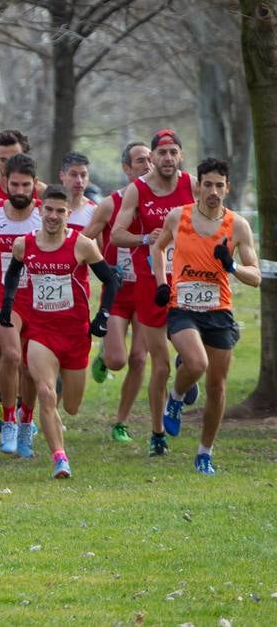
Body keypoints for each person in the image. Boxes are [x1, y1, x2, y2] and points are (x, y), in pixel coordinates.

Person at [0, 186, 119, 477]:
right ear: (41, 211)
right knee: (45, 393)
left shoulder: (82, 245)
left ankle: (61, 382)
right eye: (49, 210)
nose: (53, 216)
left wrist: (103, 316)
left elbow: (112, 281)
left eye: (60, 211)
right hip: (41, 332)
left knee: (73, 406)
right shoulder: (23, 245)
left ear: (68, 214)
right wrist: (7, 304)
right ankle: (60, 458)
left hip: (75, 334)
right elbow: (13, 273)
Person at [153, 159, 260, 475]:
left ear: (227, 187)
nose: (213, 191)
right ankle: (176, 396)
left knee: (217, 387)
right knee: (197, 364)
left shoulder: (237, 225)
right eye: (207, 184)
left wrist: (232, 266)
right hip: (183, 308)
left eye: (219, 185)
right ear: (198, 185)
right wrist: (162, 283)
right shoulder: (178, 217)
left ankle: (204, 453)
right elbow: (158, 249)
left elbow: (256, 277)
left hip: (219, 312)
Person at [109, 128, 195, 457]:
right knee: (159, 365)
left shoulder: (192, 185)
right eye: (162, 153)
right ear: (153, 158)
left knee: (195, 359)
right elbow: (117, 234)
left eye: (173, 152)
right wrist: (147, 239)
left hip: (189, 281)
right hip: (151, 284)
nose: (168, 158)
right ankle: (158, 432)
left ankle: (178, 394)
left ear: (180, 156)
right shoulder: (138, 190)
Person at [82, 141, 152, 442]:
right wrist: (99, 263)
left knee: (139, 359)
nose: (147, 165)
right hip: (119, 291)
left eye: (150, 158)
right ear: (126, 168)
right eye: (139, 160)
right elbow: (84, 240)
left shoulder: (161, 203)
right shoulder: (111, 204)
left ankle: (120, 422)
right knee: (117, 361)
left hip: (147, 290)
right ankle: (104, 354)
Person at [0, 153, 41, 455]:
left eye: (25, 185)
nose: (19, 190)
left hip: (38, 298)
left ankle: (27, 422)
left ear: (34, 186)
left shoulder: (46, 216)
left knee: (30, 368)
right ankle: (9, 420)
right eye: (14, 184)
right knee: (12, 355)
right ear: (5, 183)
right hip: (3, 297)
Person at [59, 152, 97, 228]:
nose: (79, 180)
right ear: (62, 175)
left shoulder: (95, 212)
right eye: (73, 175)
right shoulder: (48, 208)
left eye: (83, 175)